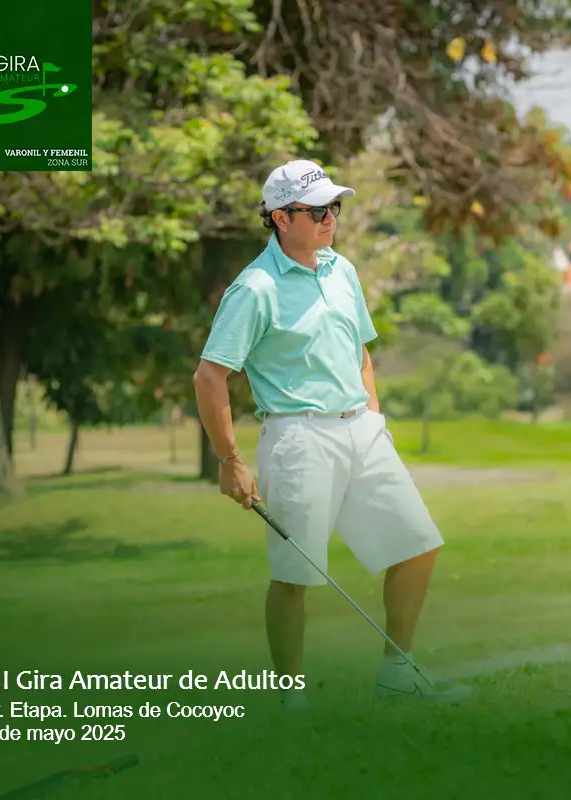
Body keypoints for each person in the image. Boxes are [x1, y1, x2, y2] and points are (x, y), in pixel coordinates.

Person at [192, 159, 472, 709]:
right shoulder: (254, 288)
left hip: (361, 430)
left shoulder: (341, 270)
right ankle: (290, 698)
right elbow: (209, 376)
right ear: (279, 217)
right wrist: (230, 461)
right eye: (317, 211)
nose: (330, 219)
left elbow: (359, 349)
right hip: (298, 439)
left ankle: (398, 671)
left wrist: (374, 416)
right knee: (294, 575)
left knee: (418, 544)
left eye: (334, 208)